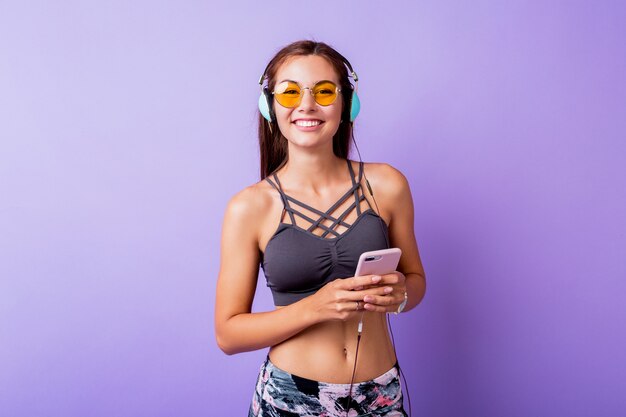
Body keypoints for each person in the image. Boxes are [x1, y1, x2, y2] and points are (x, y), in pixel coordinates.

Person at [215, 40, 426, 417]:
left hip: (380, 394)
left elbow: (415, 281)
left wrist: (401, 294)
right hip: (290, 397)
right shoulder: (249, 207)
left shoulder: (388, 185)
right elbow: (228, 334)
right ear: (270, 105)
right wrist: (316, 307)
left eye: (324, 91)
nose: (306, 105)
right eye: (290, 92)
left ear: (347, 103)